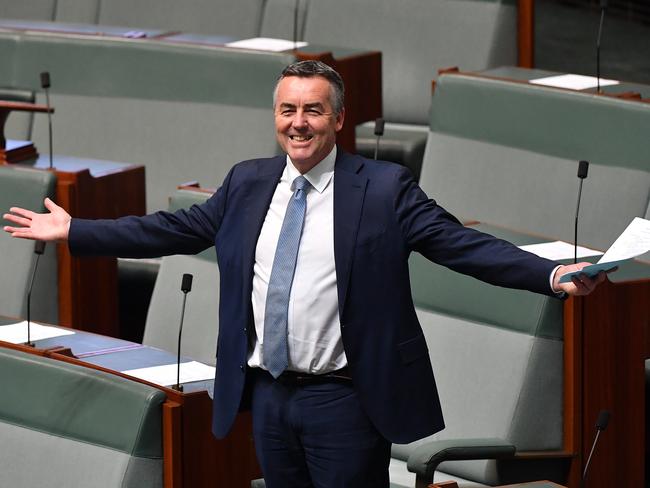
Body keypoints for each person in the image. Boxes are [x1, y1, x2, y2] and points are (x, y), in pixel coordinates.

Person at [3, 60, 607, 487]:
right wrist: (77, 231)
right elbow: (171, 229)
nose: (298, 123)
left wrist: (550, 276)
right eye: (287, 110)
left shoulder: (384, 190)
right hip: (267, 396)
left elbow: (460, 246)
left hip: (343, 400)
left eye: (313, 111)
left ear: (337, 119)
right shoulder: (247, 182)